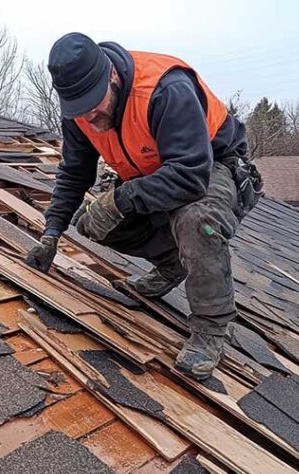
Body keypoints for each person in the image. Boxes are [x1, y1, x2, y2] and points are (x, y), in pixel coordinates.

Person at [25, 33, 262, 380]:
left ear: (113, 77)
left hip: (211, 165)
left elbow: (190, 176)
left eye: (95, 106)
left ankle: (211, 329)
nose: (91, 118)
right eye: (81, 112)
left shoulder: (165, 90)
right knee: (91, 221)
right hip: (152, 173)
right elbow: (74, 172)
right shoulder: (79, 112)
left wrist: (120, 200)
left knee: (197, 220)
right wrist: (51, 233)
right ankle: (172, 263)